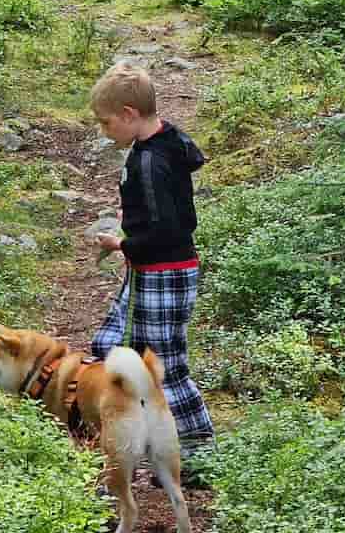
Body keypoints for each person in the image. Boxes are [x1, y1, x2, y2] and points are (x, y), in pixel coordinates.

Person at [90, 62, 215, 476]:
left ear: (129, 114)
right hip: (148, 271)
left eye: (106, 123)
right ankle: (133, 426)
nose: (104, 132)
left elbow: (167, 229)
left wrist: (124, 243)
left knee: (166, 366)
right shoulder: (161, 142)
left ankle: (199, 455)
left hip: (165, 271)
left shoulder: (152, 161)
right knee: (108, 343)